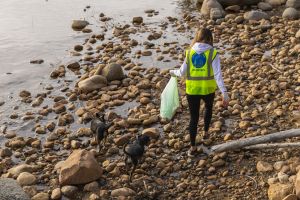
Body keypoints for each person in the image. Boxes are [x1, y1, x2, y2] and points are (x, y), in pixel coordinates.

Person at [169, 28, 229, 156]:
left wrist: (172, 72)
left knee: (194, 118)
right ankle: (206, 133)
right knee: (208, 108)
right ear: (210, 39)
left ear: (197, 37)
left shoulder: (189, 53)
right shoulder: (213, 53)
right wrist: (225, 93)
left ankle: (192, 148)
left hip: (192, 90)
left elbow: (181, 72)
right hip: (208, 89)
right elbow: (218, 75)